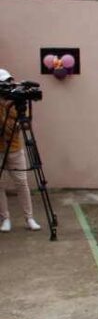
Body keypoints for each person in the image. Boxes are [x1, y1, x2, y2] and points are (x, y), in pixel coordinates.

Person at [0, 68, 41, 233]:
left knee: (22, 183)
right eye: (5, 83)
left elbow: (23, 124)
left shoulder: (17, 101)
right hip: (0, 149)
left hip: (15, 148)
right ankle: (5, 219)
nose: (8, 86)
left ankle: (29, 218)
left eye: (9, 81)